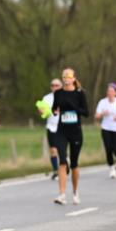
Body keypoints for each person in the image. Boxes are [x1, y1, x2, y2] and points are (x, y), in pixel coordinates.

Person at [51, 68, 89, 204]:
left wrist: (74, 107)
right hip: (61, 131)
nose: (66, 79)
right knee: (62, 161)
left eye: (69, 77)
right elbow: (54, 108)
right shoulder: (58, 93)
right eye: (64, 77)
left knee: (74, 164)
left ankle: (75, 192)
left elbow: (86, 113)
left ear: (73, 79)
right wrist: (55, 111)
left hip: (75, 132)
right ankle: (61, 195)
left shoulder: (80, 93)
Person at [95, 82, 116, 179]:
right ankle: (112, 168)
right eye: (108, 91)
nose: (110, 93)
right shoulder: (102, 102)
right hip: (106, 128)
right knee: (108, 149)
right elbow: (96, 116)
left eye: (112, 91)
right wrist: (103, 114)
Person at [36, 78, 63, 179]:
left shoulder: (66, 96)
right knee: (53, 150)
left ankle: (65, 163)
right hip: (51, 127)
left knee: (62, 149)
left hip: (63, 127)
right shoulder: (46, 98)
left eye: (57, 85)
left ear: (61, 86)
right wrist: (40, 111)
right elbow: (41, 111)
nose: (54, 87)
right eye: (52, 85)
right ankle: (56, 171)